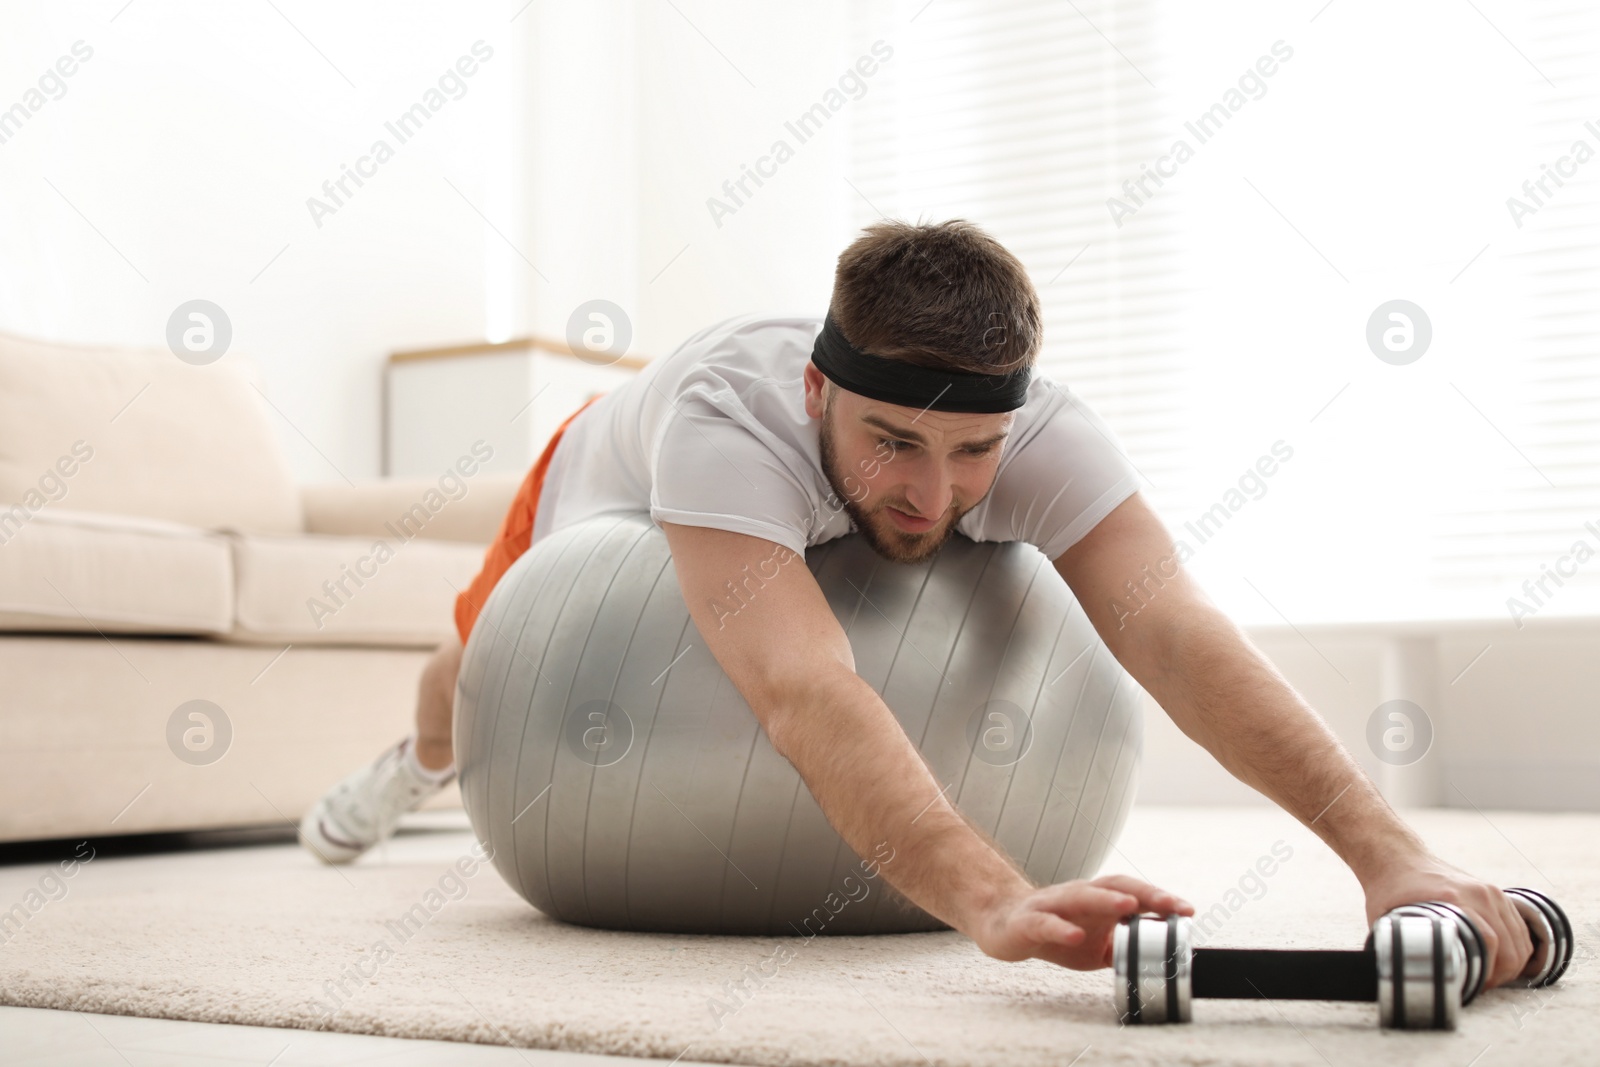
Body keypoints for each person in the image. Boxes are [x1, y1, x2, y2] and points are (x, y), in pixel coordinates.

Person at [301, 219, 1534, 982]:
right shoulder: (724, 421)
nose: (929, 495)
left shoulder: (1042, 431)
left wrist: (1391, 856)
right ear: (815, 391)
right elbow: (802, 684)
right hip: (591, 484)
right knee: (455, 678)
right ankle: (400, 775)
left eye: (972, 452)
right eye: (891, 440)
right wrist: (992, 896)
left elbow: (1171, 629)